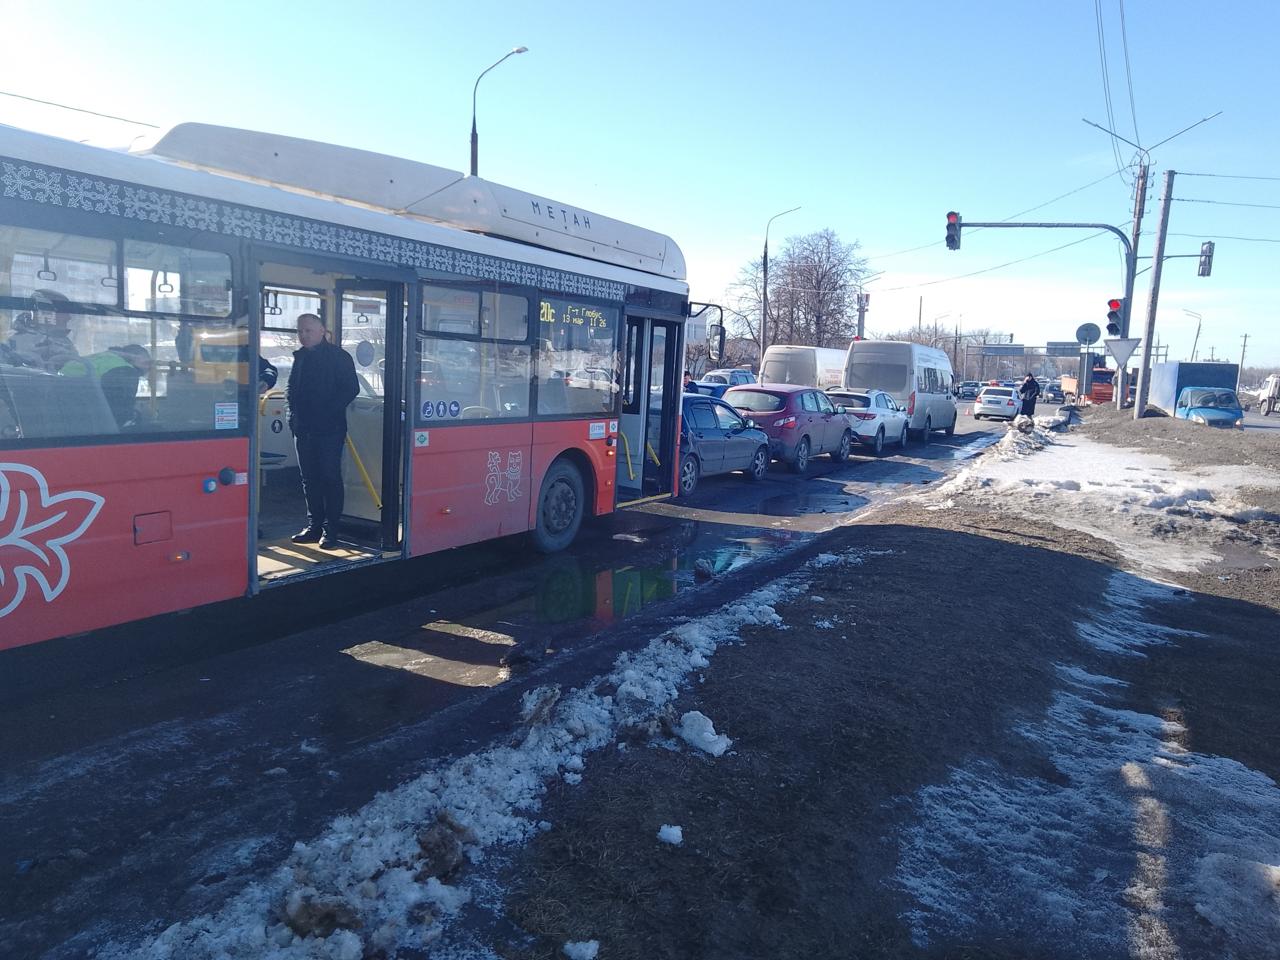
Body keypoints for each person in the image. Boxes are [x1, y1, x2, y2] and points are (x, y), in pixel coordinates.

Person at [287, 313, 359, 550]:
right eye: (300, 331)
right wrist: (293, 418)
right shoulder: (300, 358)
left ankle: (331, 530)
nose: (304, 335)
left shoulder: (339, 357)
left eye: (308, 330)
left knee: (329, 478)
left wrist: (326, 413)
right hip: (303, 429)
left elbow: (350, 389)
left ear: (322, 331)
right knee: (309, 480)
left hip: (329, 429)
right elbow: (292, 390)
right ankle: (314, 526)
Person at [60, 344, 151, 428]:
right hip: (95, 426)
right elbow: (120, 416)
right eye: (147, 362)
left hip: (65, 419)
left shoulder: (100, 358)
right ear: (136, 357)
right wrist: (137, 412)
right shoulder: (126, 371)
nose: (149, 367)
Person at [2, 290, 81, 371]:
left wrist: (68, 359)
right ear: (47, 313)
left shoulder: (66, 342)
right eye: (65, 312)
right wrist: (28, 359)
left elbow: (79, 369)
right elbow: (5, 372)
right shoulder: (14, 340)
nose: (69, 318)